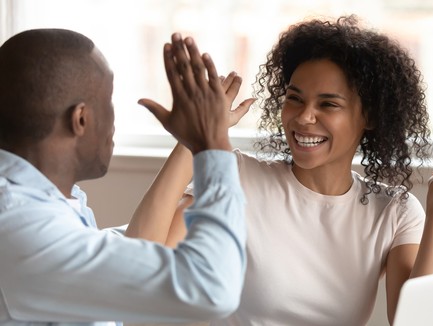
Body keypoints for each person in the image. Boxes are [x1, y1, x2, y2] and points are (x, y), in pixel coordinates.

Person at [130, 15, 433, 325]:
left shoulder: (394, 212)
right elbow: (134, 268)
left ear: (369, 116)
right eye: (294, 98)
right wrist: (196, 138)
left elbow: (417, 323)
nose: (303, 117)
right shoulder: (238, 179)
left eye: (328, 104)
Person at [0, 28, 253, 325]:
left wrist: (197, 141)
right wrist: (211, 144)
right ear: (80, 119)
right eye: (108, 101)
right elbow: (211, 290)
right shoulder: (23, 229)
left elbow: (131, 254)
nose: (113, 120)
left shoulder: (37, 206)